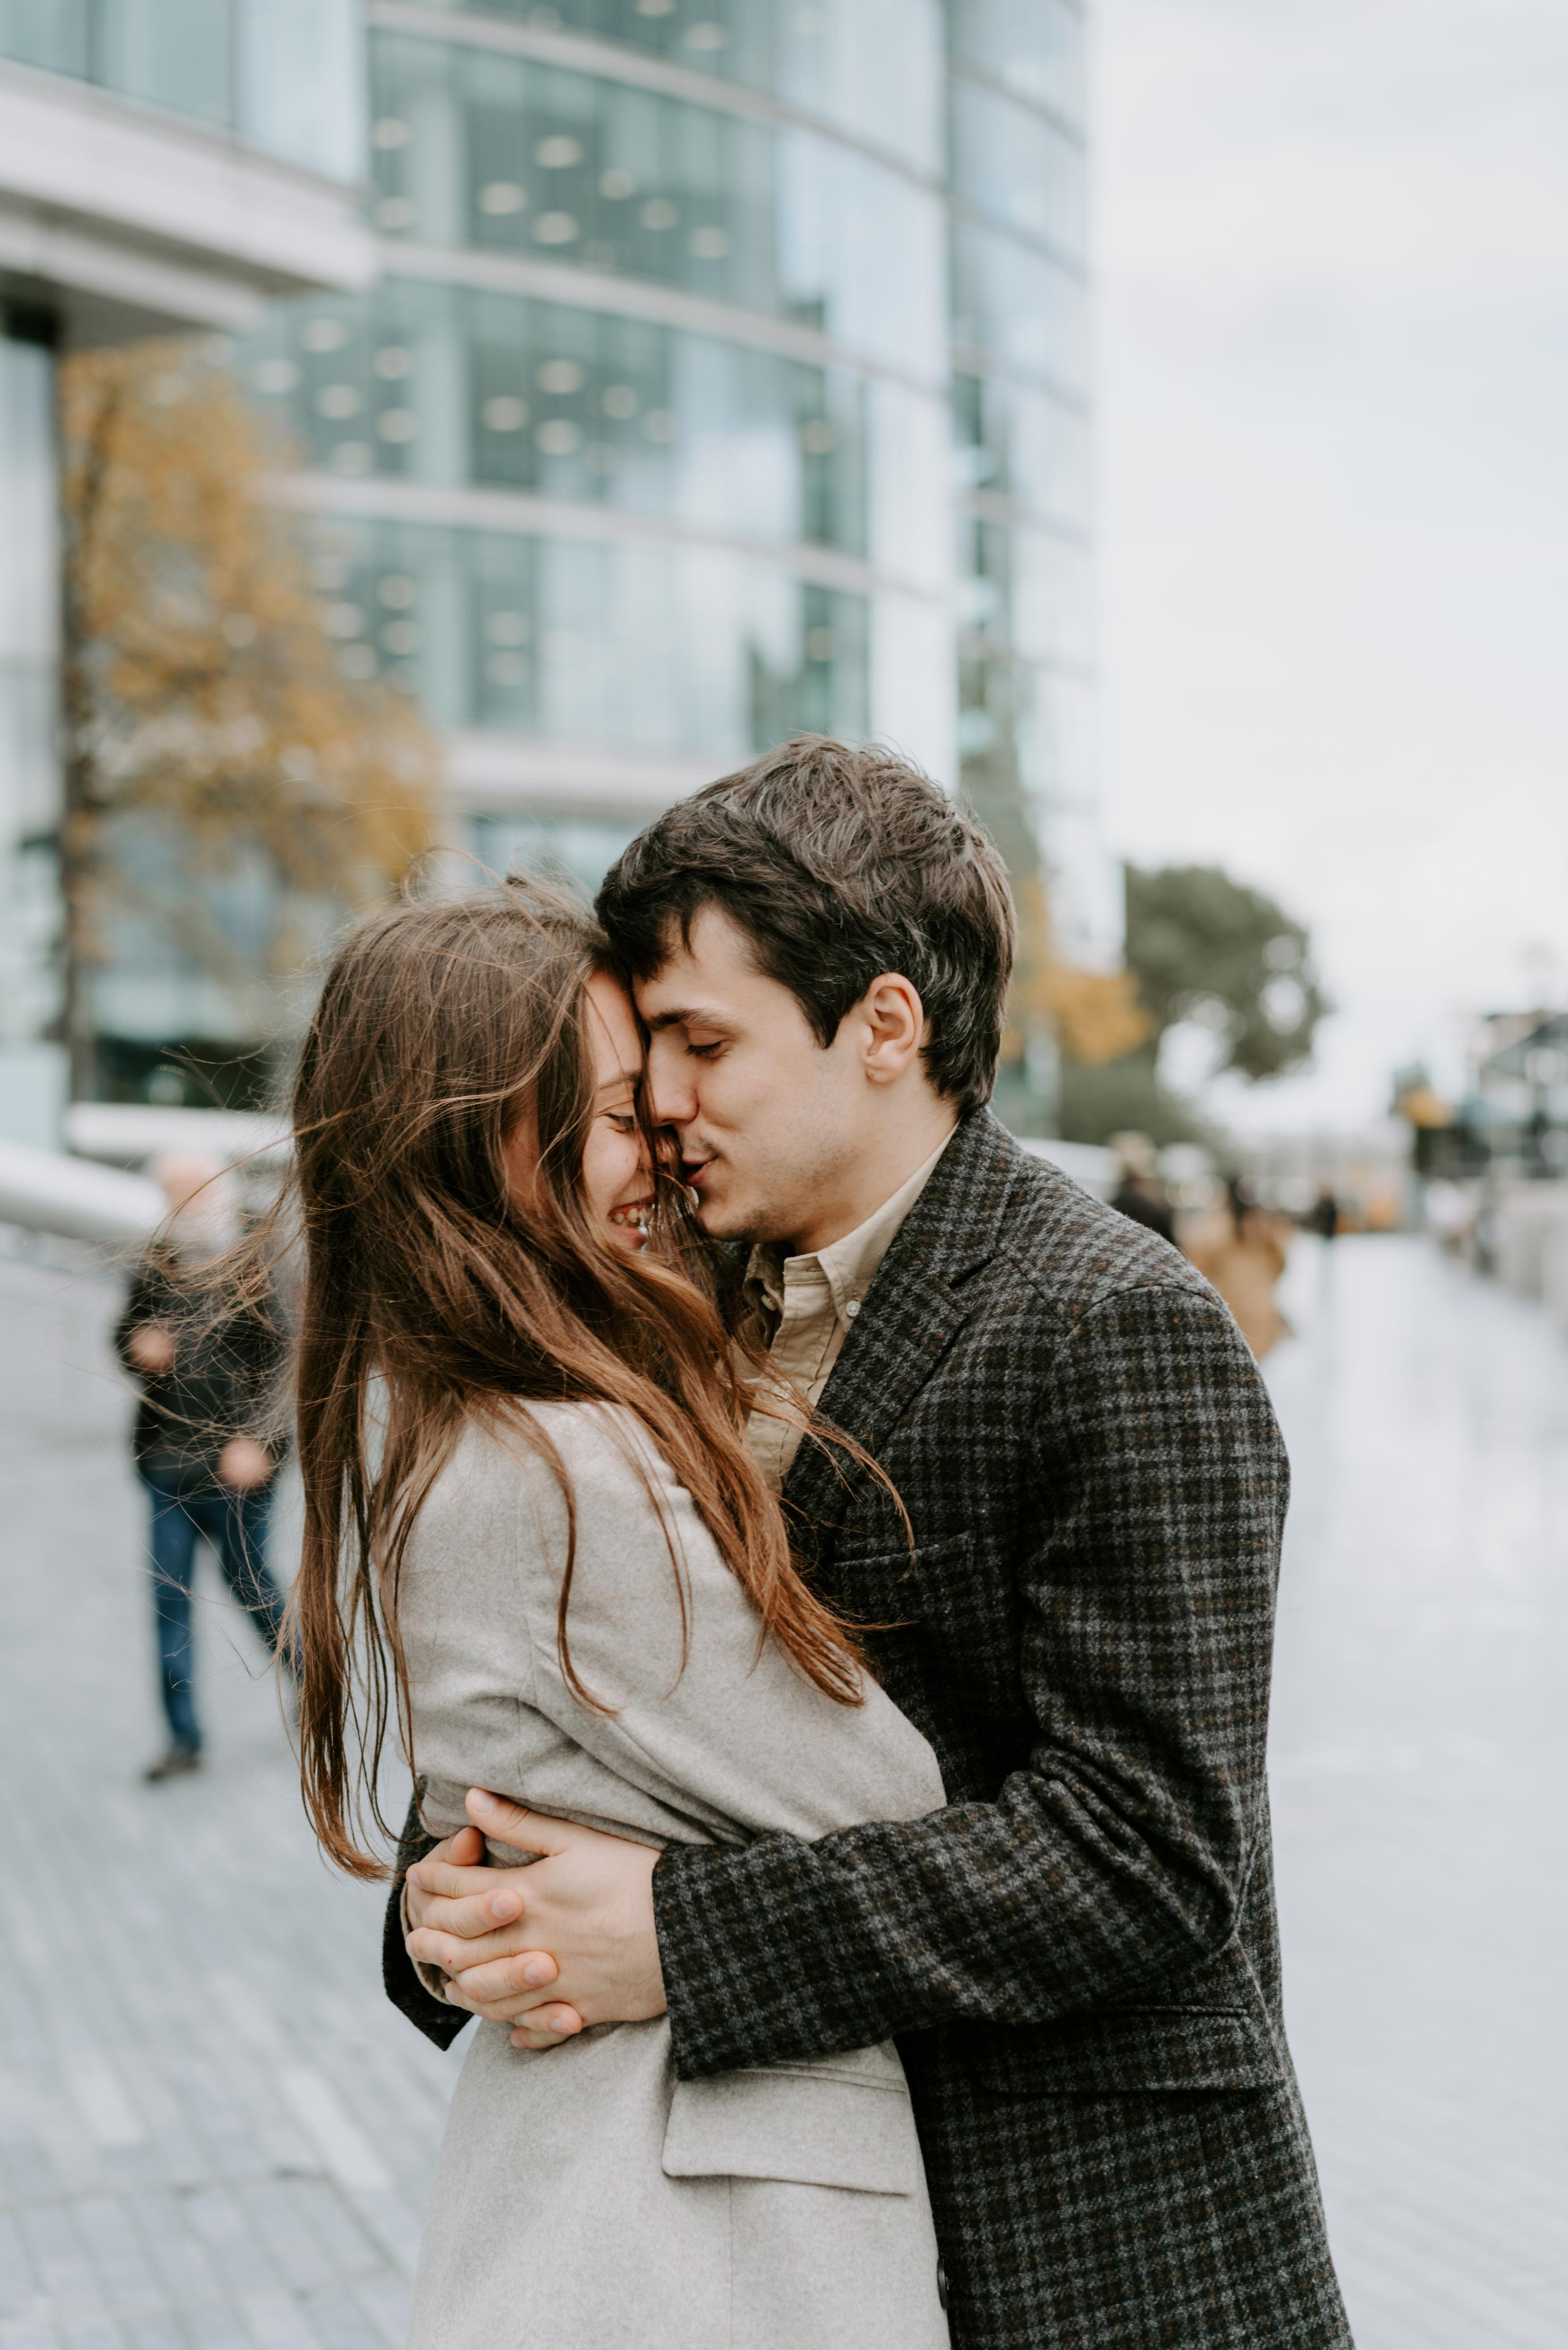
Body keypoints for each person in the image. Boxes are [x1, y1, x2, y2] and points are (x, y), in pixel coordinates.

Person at [393, 740, 1351, 2350]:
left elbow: (1148, 1844)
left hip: (1092, 2248)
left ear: (886, 1024)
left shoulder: (1119, 1322)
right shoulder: (670, 1299)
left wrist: (680, 1939)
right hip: (771, 2246)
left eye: (703, 1040)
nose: (667, 1101)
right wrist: (466, 1910)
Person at [286, 881, 951, 2349]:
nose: (656, 1144)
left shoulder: (466, 1426)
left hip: (616, 2203)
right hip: (688, 2234)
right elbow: (893, 1795)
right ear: (482, 1147)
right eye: (611, 1110)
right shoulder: (563, 1466)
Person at [115, 1153, 290, 1782]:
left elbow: (288, 1363)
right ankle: (182, 1737)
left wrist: (260, 1441)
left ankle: (306, 1671)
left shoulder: (259, 1256)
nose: (182, 1205)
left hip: (236, 1467)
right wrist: (139, 1351)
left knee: (250, 1585)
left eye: (190, 1192)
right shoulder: (159, 1259)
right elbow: (124, 1337)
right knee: (168, 1601)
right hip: (166, 1465)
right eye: (172, 1195)